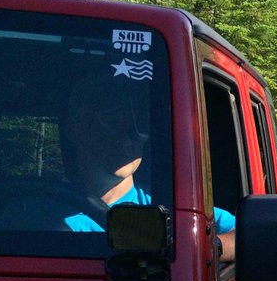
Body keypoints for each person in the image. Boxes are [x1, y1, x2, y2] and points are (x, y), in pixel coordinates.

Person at [63, 76, 236, 260]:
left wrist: (200, 251)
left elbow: (242, 236)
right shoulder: (36, 207)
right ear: (75, 127)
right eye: (111, 122)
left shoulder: (167, 210)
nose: (129, 138)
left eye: (139, 127)